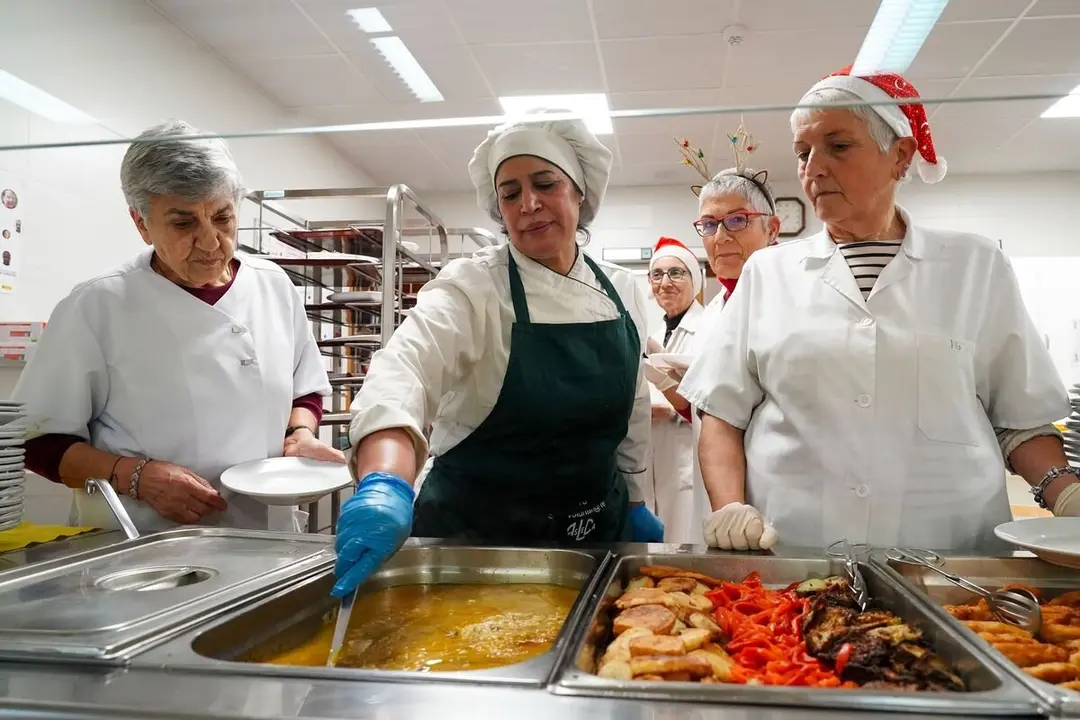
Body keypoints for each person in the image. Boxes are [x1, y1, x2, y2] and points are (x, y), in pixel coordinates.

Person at [679, 66, 1076, 553]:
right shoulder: (768, 274)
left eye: (838, 146)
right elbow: (721, 411)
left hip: (950, 554)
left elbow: (1020, 418)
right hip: (795, 548)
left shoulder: (975, 267)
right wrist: (730, 508)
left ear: (900, 157)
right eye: (804, 153)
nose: (813, 168)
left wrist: (1066, 495)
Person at [332, 117, 662, 596]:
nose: (528, 204)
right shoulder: (473, 286)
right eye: (510, 193)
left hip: (590, 535)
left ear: (580, 193)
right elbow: (404, 369)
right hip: (473, 540)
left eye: (545, 183)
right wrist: (385, 482)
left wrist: (633, 500)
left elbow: (632, 405)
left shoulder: (622, 290)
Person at [15, 120, 343, 533]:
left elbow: (306, 388)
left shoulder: (273, 285)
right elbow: (35, 442)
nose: (210, 242)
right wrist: (135, 476)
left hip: (265, 536)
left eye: (222, 217)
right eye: (184, 224)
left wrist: (299, 436)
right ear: (141, 223)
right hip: (143, 543)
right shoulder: (97, 306)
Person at [644, 237, 705, 543]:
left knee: (687, 541)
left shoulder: (708, 327)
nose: (665, 283)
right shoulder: (654, 333)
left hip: (689, 460)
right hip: (656, 457)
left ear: (695, 281)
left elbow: (714, 402)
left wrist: (670, 403)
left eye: (676, 273)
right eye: (657, 274)